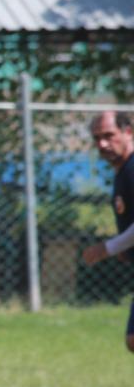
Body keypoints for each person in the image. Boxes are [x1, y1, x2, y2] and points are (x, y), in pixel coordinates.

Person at [80, 110, 134, 354]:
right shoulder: (124, 172)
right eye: (97, 138)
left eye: (109, 135)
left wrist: (109, 248)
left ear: (128, 132)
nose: (102, 144)